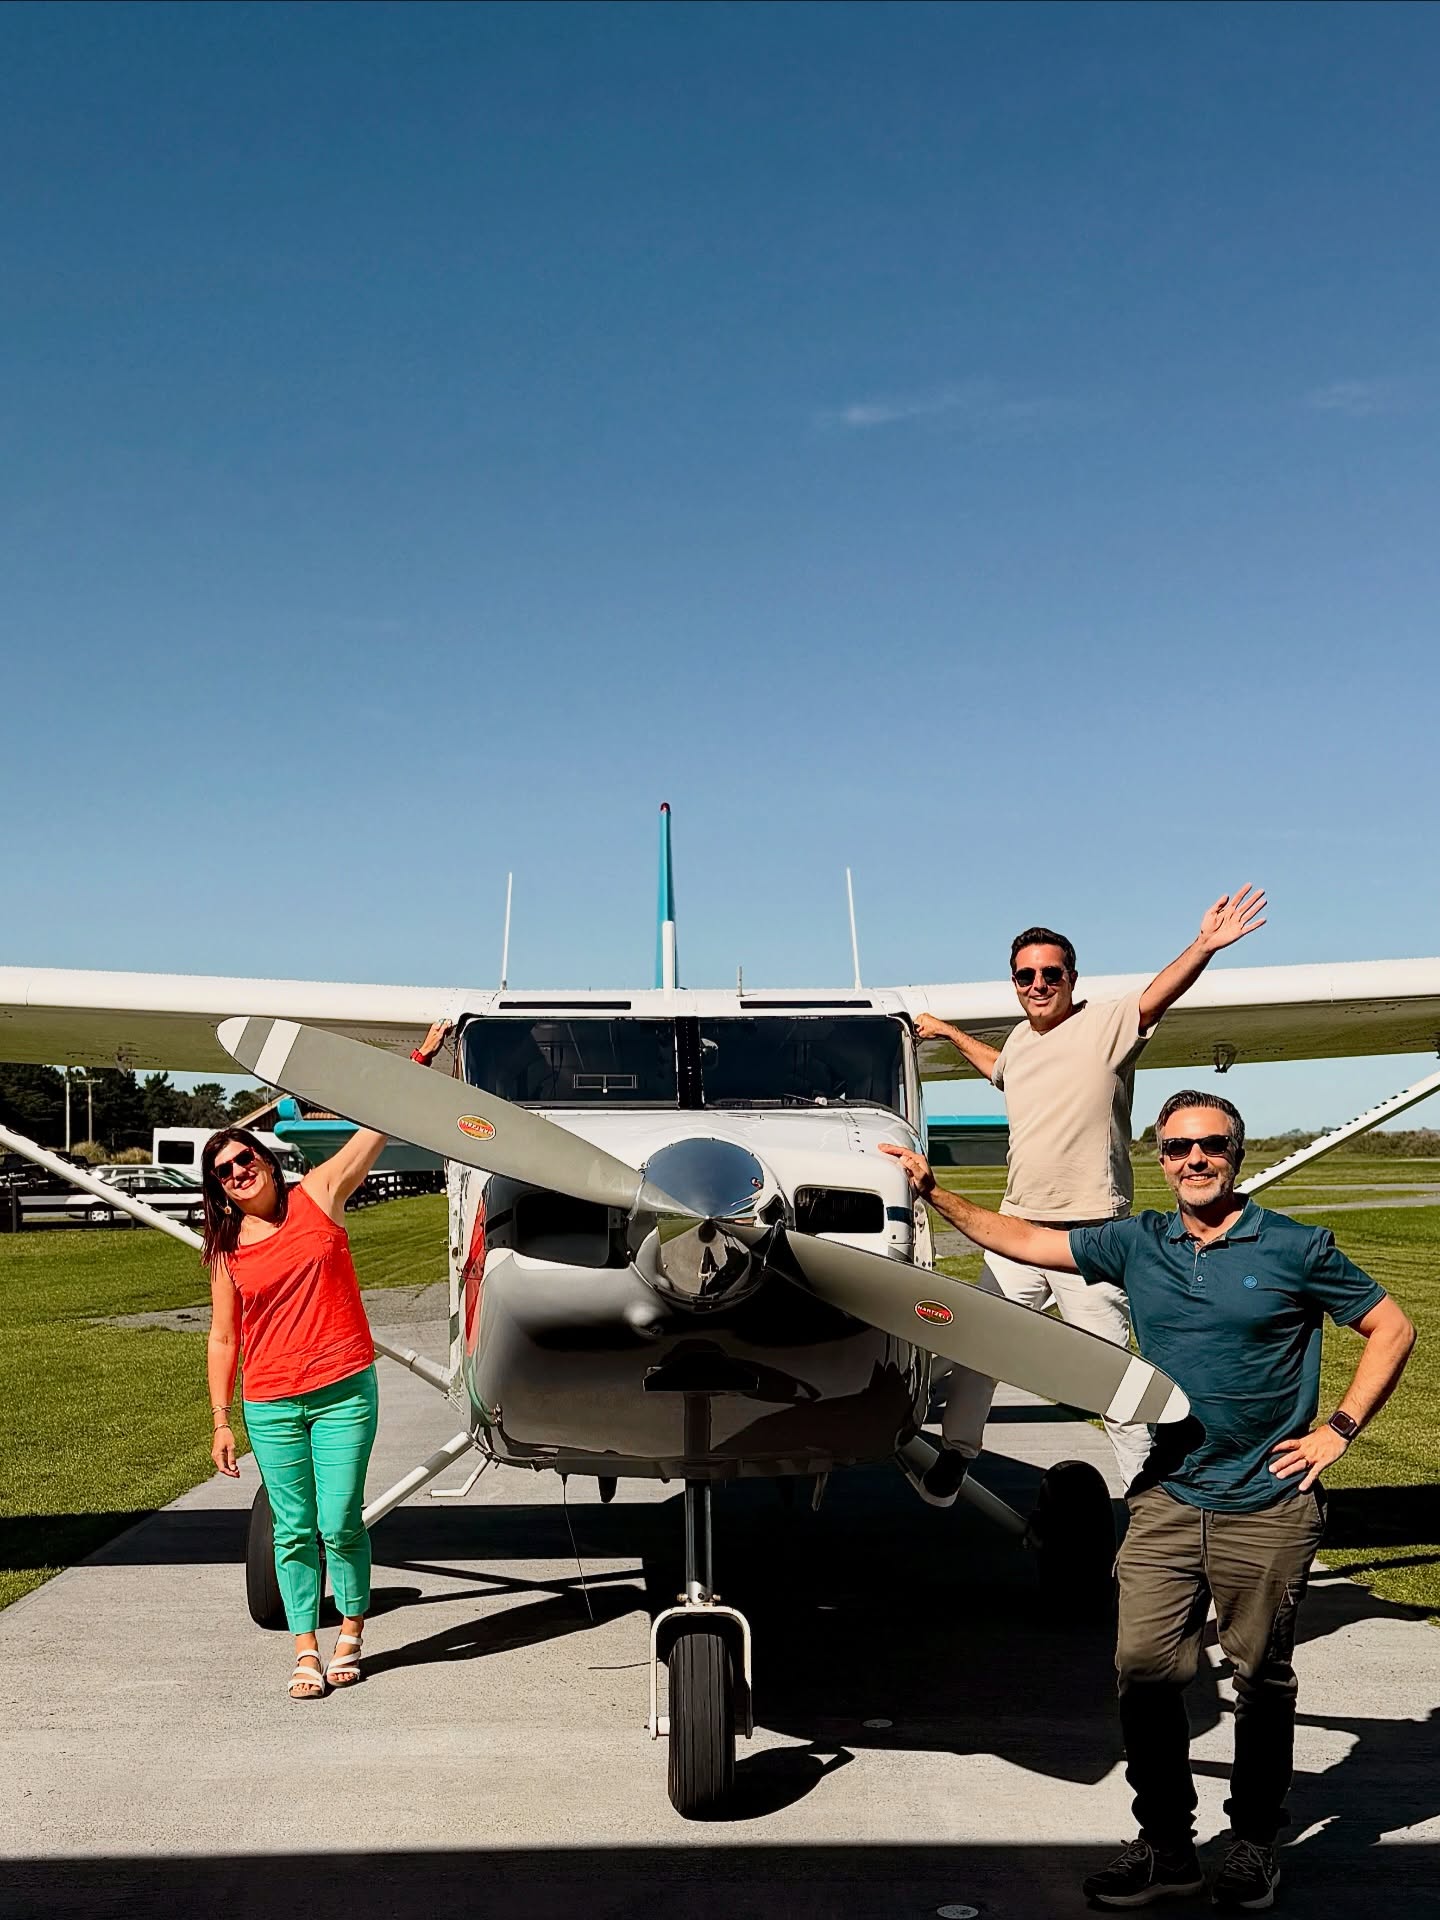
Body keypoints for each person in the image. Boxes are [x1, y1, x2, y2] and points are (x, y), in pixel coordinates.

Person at [882, 1093, 1415, 1911]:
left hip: (1266, 1500)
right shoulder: (1139, 1242)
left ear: (1236, 1153)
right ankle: (1167, 1845)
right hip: (1165, 1496)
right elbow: (1024, 1241)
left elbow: (1392, 1327)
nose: (1193, 1160)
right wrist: (935, 1193)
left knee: (1260, 1680)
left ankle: (1254, 1844)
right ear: (1159, 1158)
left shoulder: (1295, 1246)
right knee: (1143, 1670)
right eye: (1176, 1148)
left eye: (1210, 1146)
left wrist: (1339, 1428)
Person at [909, 890, 1267, 1505]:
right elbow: (1003, 1070)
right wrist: (947, 1032)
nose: (1039, 983)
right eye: (1026, 975)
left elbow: (1160, 993)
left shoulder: (1106, 1025)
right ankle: (959, 1451)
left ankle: (1147, 1497)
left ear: (1072, 979)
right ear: (1015, 983)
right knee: (977, 1346)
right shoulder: (1021, 1040)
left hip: (1092, 1237)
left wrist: (1204, 944)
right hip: (1017, 1231)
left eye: (1052, 973)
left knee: (1112, 1376)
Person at [206, 1019, 452, 1699]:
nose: (238, 1172)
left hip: (343, 1389)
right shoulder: (227, 1251)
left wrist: (422, 1057)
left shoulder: (320, 1194)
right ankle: (305, 1648)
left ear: (263, 1158)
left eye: (244, 1158)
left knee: (339, 1519)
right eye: (224, 1171)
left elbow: (377, 1119)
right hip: (271, 1401)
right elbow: (224, 1338)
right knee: (292, 1528)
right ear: (220, 1188)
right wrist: (222, 1420)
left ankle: (352, 1629)